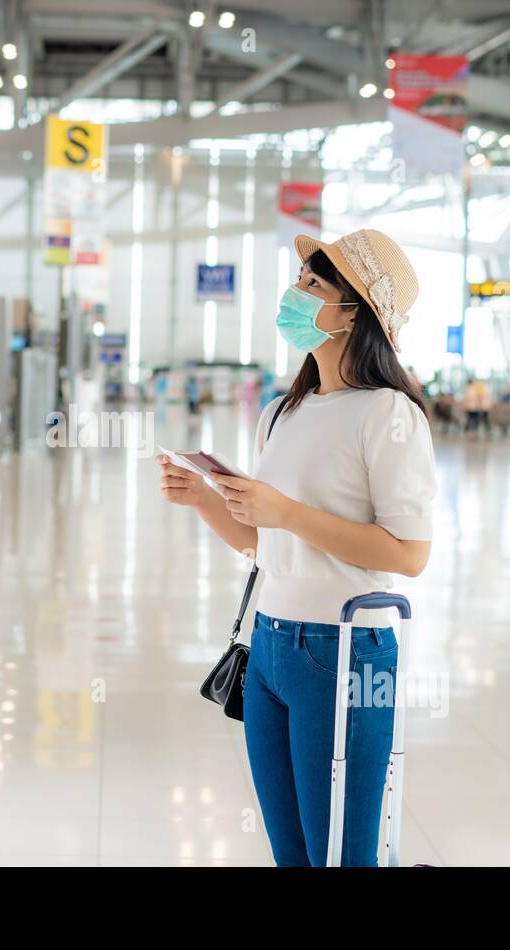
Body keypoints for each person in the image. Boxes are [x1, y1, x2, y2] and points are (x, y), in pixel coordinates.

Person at [156, 229, 437, 866]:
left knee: (342, 857)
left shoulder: (388, 415)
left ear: (353, 314)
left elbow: (409, 553)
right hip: (269, 648)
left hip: (344, 654)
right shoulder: (285, 411)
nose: (296, 293)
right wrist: (205, 499)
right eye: (299, 280)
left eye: (314, 284)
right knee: (293, 858)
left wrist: (288, 511)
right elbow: (269, 547)